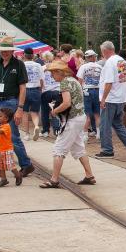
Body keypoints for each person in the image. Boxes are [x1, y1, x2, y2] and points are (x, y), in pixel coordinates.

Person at [0, 36, 33, 180]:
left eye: (7, 50)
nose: (4, 53)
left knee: (12, 136)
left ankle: (26, 164)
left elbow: (23, 88)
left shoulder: (19, 65)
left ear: (12, 50)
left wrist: (20, 108)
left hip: (11, 101)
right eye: (2, 50)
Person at [40, 60, 96, 188]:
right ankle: (89, 175)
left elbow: (66, 103)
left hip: (72, 120)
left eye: (53, 74)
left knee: (59, 149)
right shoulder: (73, 80)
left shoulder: (64, 83)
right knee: (78, 148)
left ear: (59, 72)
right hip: (80, 117)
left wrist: (55, 111)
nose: (52, 77)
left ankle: (54, 179)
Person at [96, 41, 126, 158]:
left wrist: (103, 99)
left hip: (110, 98)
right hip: (120, 97)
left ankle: (107, 150)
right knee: (117, 124)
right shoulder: (122, 61)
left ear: (104, 51)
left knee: (105, 125)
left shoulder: (110, 63)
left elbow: (109, 82)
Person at [0, 107, 23, 187]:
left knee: (10, 166)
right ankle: (3, 179)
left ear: (6, 118)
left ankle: (18, 175)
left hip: (6, 150)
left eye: (0, 116)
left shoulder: (6, 126)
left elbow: (0, 132)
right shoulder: (0, 126)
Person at [78, 49, 102, 138]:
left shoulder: (83, 67)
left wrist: (80, 92)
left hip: (87, 91)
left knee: (87, 115)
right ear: (92, 57)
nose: (96, 57)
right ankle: (99, 134)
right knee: (97, 114)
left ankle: (85, 135)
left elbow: (79, 80)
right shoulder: (100, 67)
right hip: (97, 90)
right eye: (95, 56)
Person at [21, 48, 43, 139]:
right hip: (36, 90)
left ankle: (26, 134)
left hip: (24, 90)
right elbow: (41, 79)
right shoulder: (38, 65)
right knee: (34, 112)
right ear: (33, 55)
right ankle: (36, 126)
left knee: (25, 113)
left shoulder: (21, 65)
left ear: (24, 55)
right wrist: (40, 90)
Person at [40, 54, 62, 138]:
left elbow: (40, 80)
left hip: (46, 92)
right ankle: (57, 130)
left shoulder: (42, 68)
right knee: (55, 111)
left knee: (45, 112)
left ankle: (45, 131)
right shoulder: (57, 67)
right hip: (57, 91)